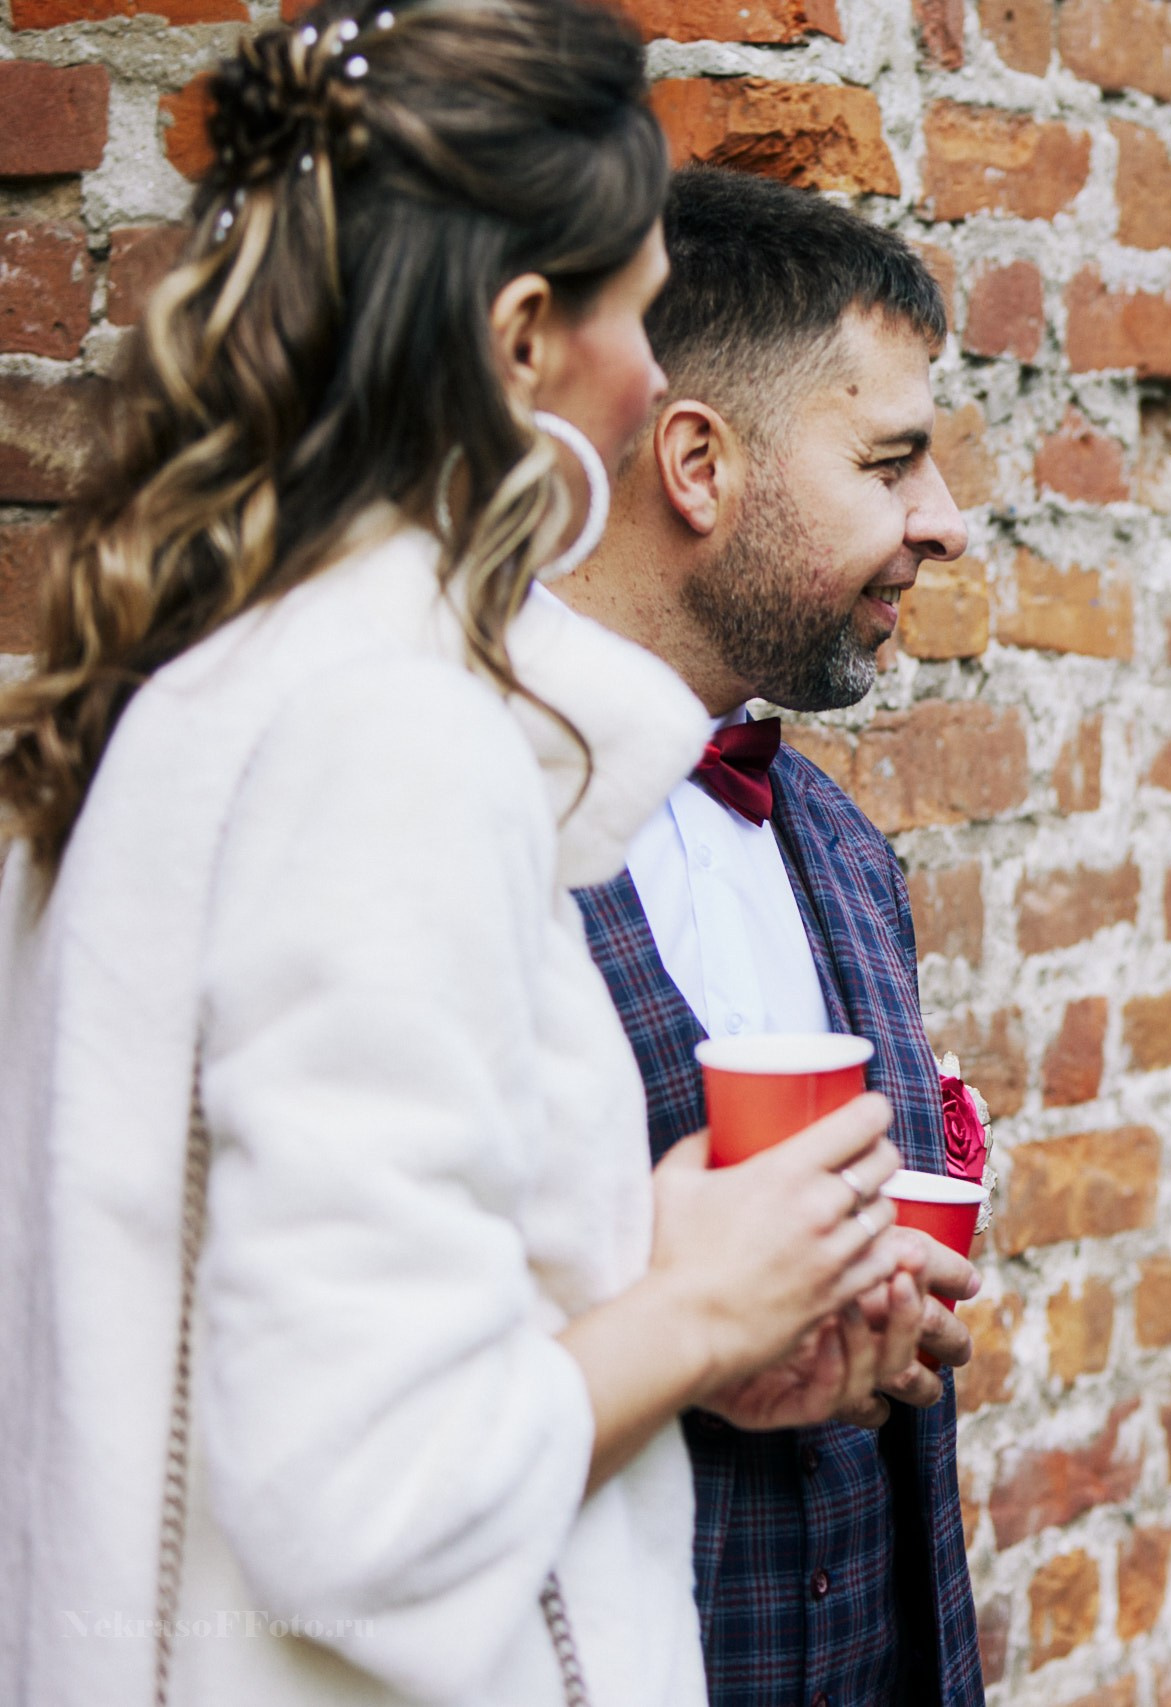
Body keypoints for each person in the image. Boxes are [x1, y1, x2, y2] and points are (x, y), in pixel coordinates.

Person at [0, 6, 932, 1702]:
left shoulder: (196, 693)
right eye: (641, 314)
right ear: (522, 342)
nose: (660, 382)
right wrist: (701, 1312)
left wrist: (643, 1286)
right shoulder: (387, 740)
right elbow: (368, 1498)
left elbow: (256, 1346)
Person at [555, 166, 984, 1707]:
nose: (941, 522)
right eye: (890, 461)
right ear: (698, 463)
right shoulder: (476, 837)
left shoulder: (845, 855)